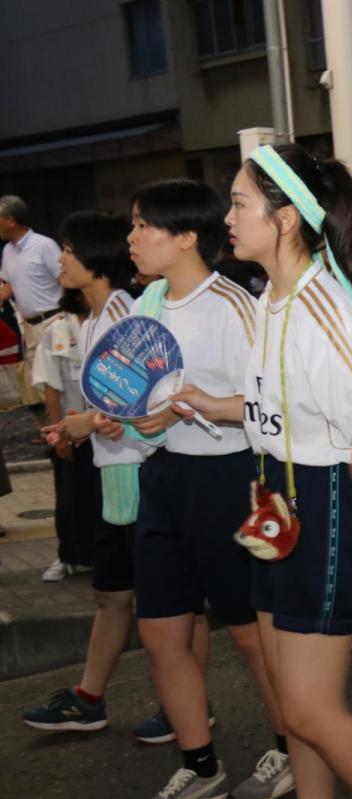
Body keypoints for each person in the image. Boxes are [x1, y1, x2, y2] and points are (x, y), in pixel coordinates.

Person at [178, 143, 352, 796]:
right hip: (276, 504)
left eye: (240, 203)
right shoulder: (272, 300)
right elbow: (275, 404)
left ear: (283, 220)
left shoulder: (322, 305)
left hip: (327, 504)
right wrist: (210, 404)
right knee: (293, 704)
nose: (228, 217)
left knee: (309, 710)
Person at [121, 179, 290, 799]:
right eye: (133, 224)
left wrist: (190, 409)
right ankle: (200, 763)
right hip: (163, 477)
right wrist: (120, 417)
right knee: (160, 630)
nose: (132, 237)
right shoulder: (145, 308)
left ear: (186, 236)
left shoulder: (233, 307)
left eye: (144, 225)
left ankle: (291, 749)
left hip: (229, 478)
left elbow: (270, 399)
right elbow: (133, 391)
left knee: (249, 632)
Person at [22, 211, 202, 742]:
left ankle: (188, 707)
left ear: (94, 256)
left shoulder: (128, 312)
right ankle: (89, 698)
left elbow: (150, 396)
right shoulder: (93, 319)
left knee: (174, 604)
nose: (60, 260)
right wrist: (79, 425)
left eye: (68, 249)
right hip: (115, 476)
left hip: (143, 474)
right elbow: (115, 400)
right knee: (112, 594)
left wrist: (87, 423)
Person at [32, 287, 95, 581]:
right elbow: (51, 387)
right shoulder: (56, 330)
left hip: (107, 428)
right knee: (70, 500)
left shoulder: (113, 321)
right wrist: (58, 434)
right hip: (71, 430)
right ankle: (67, 557)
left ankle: (111, 558)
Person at [0, 195, 63, 418]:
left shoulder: (44, 245)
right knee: (36, 386)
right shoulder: (7, 251)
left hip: (54, 321)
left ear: (10, 220)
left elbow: (65, 279)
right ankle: (50, 428)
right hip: (29, 327)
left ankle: (65, 427)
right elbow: (10, 284)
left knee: (57, 381)